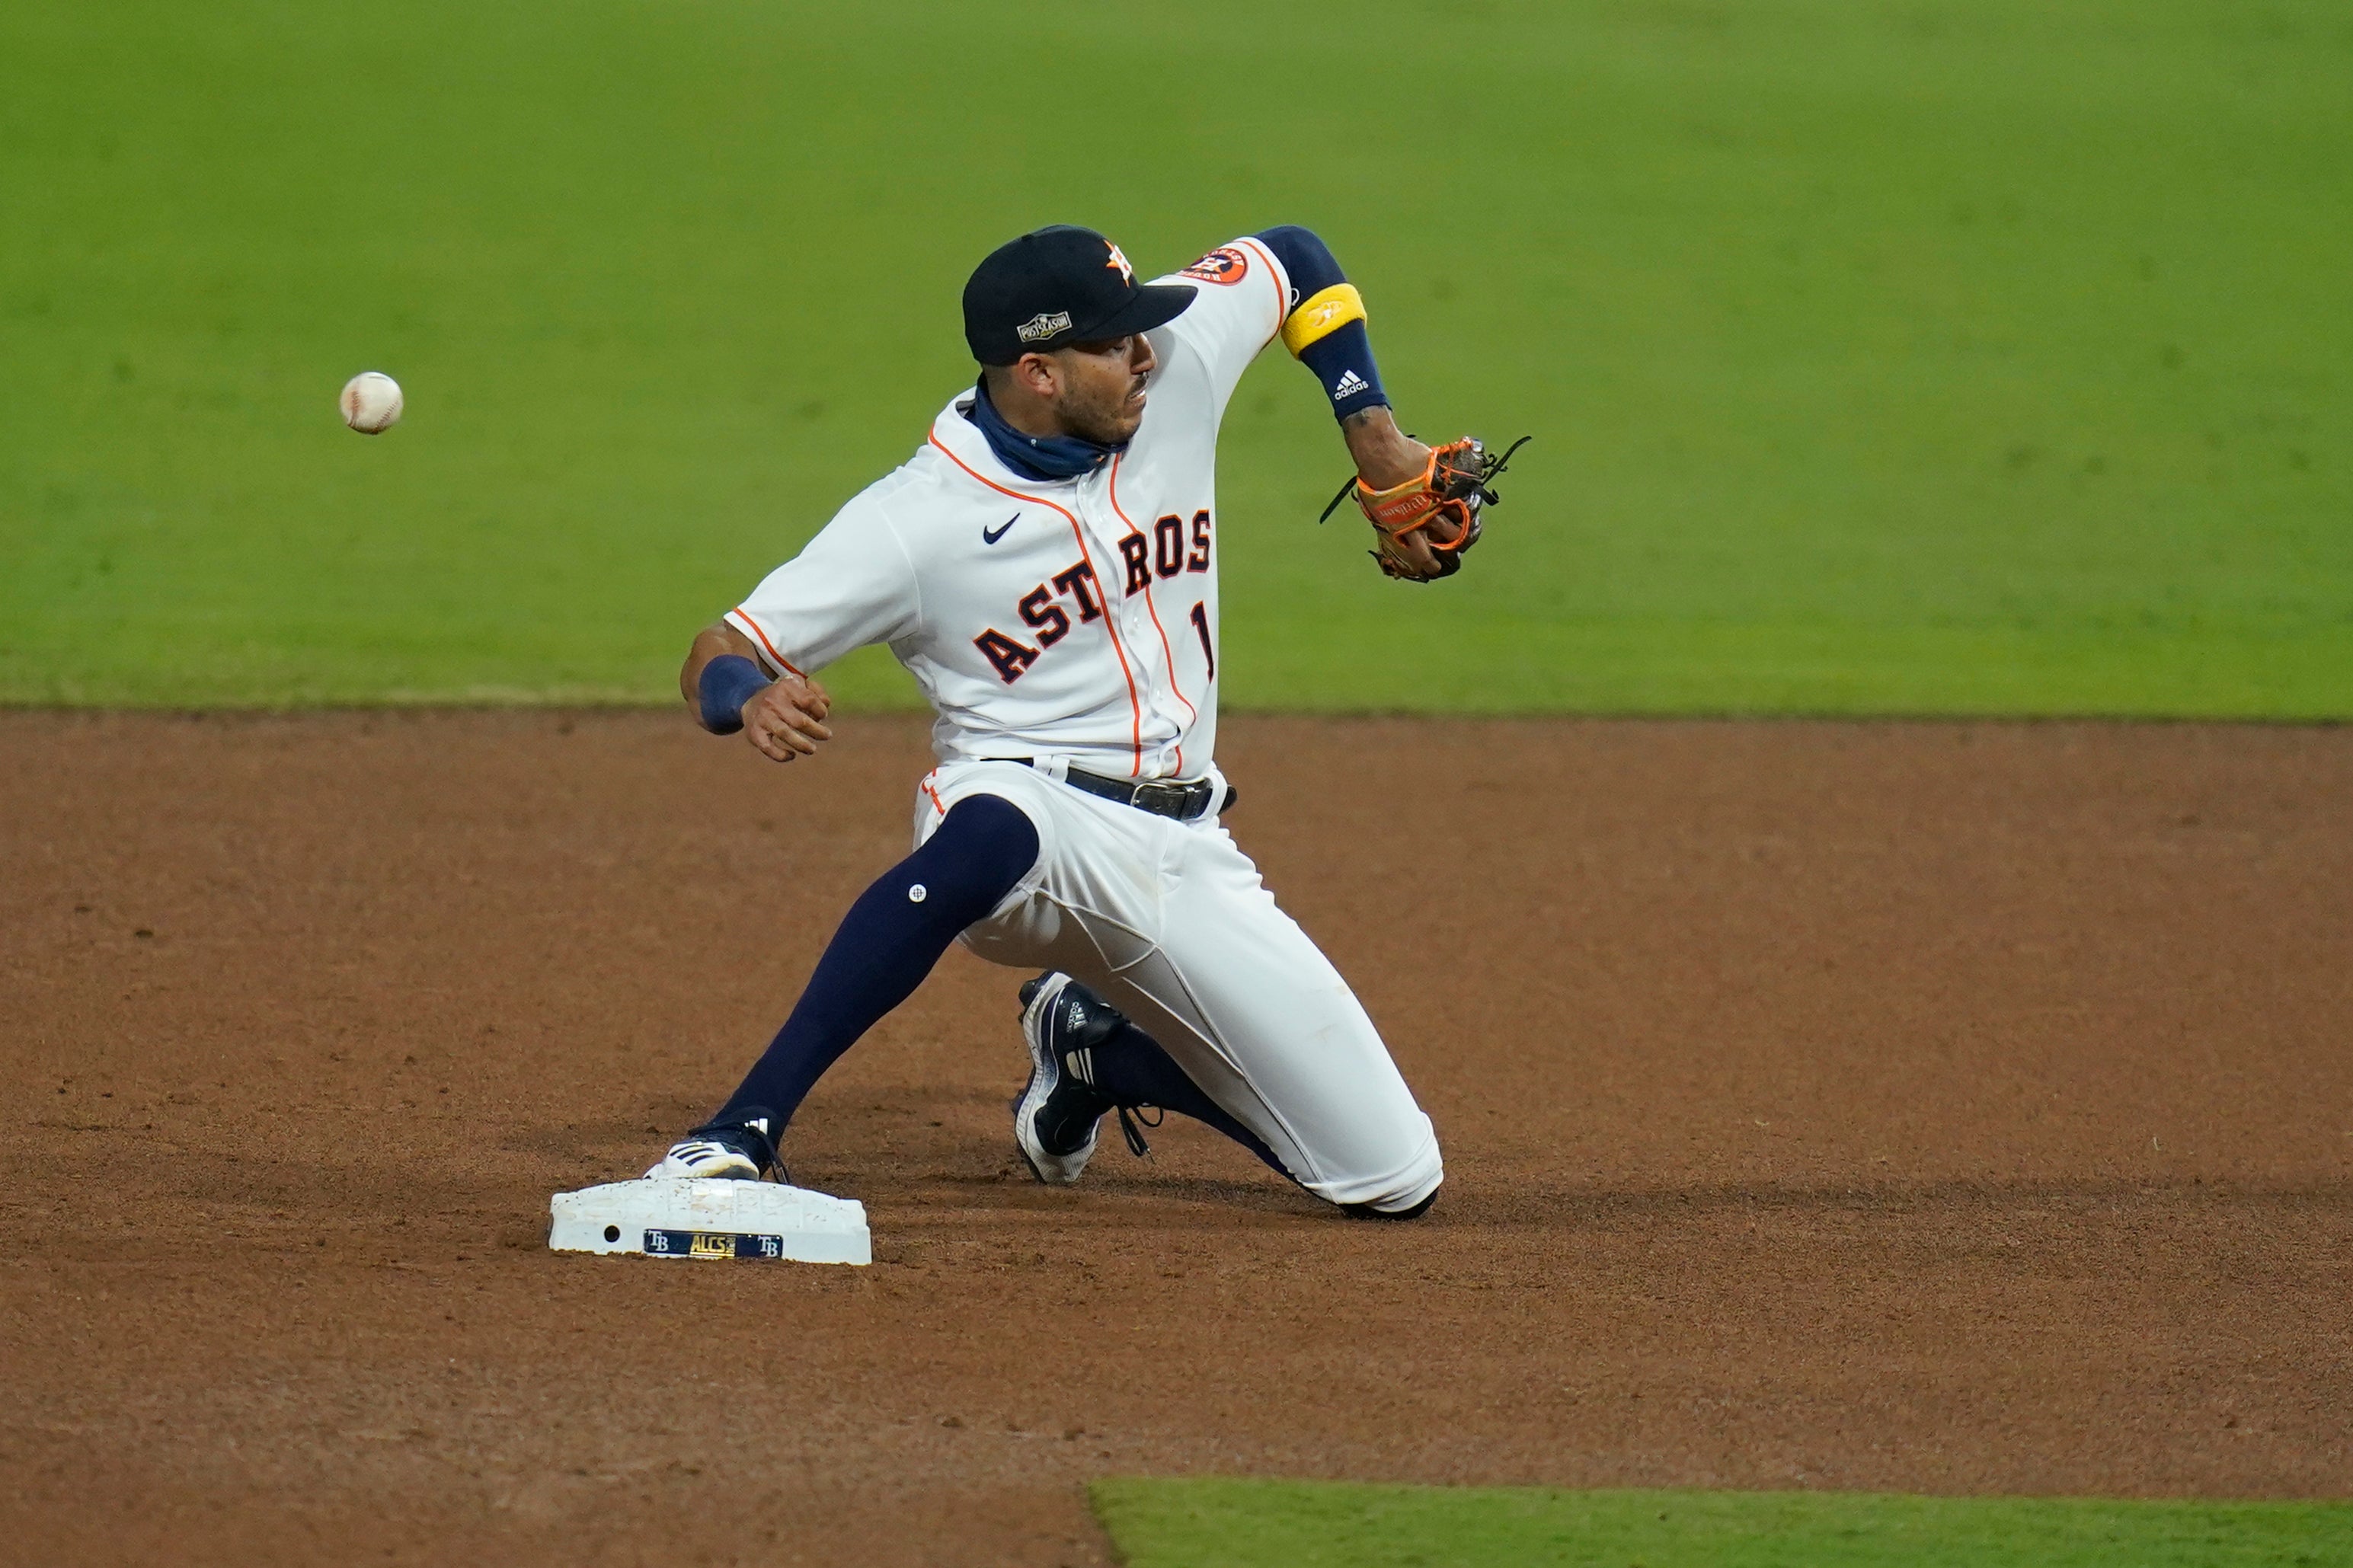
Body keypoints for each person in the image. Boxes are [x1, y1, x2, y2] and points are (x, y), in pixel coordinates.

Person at [643, 224, 1465, 1216]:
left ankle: (1095, 1054)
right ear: (1037, 371)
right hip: (1027, 816)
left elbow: (1292, 258)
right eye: (1117, 345)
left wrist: (1374, 438)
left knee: (1393, 1179)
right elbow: (714, 652)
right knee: (995, 828)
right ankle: (740, 1131)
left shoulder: (1165, 366)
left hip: (1189, 845)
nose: (1149, 355)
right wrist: (752, 694)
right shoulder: (916, 523)